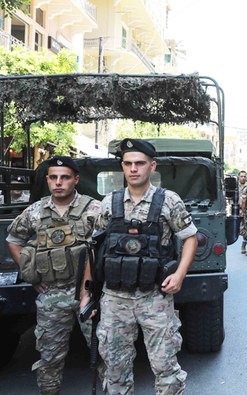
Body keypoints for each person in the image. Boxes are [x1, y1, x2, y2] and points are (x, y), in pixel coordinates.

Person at [85, 138, 197, 394]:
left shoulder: (168, 201)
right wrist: (87, 295)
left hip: (154, 299)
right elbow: (94, 250)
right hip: (114, 301)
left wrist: (180, 274)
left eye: (140, 163)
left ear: (152, 166)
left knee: (166, 368)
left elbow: (190, 237)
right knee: (115, 371)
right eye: (128, 164)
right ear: (122, 167)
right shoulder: (109, 202)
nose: (133, 169)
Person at [6, 156, 102, 394]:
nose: (59, 182)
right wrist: (32, 276)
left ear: (75, 180)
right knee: (50, 357)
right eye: (53, 177)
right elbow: (13, 241)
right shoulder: (35, 211)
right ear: (48, 180)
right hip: (53, 295)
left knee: (104, 353)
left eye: (65, 177)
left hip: (89, 293)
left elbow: (109, 245)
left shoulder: (94, 209)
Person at [238, 170, 247, 254]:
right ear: (239, 176)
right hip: (236, 210)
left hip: (246, 210)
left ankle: (244, 246)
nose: (243, 178)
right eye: (241, 176)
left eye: (244, 176)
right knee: (239, 229)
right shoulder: (235, 186)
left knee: (246, 228)